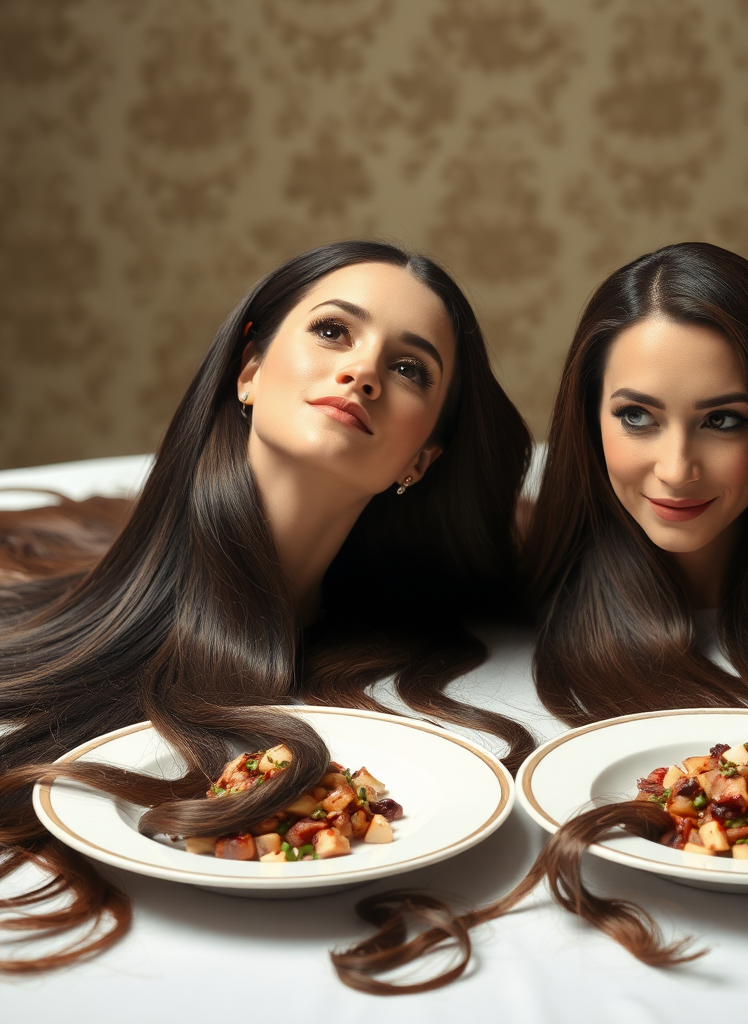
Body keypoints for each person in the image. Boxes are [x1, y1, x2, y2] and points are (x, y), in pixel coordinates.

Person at [332, 241, 748, 994]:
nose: (676, 467)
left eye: (723, 421)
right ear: (588, 419)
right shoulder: (488, 586)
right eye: (637, 417)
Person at [0, 240, 533, 971]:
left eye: (409, 369)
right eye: (333, 331)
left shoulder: (408, 626)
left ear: (422, 459)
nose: (363, 371)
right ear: (248, 370)